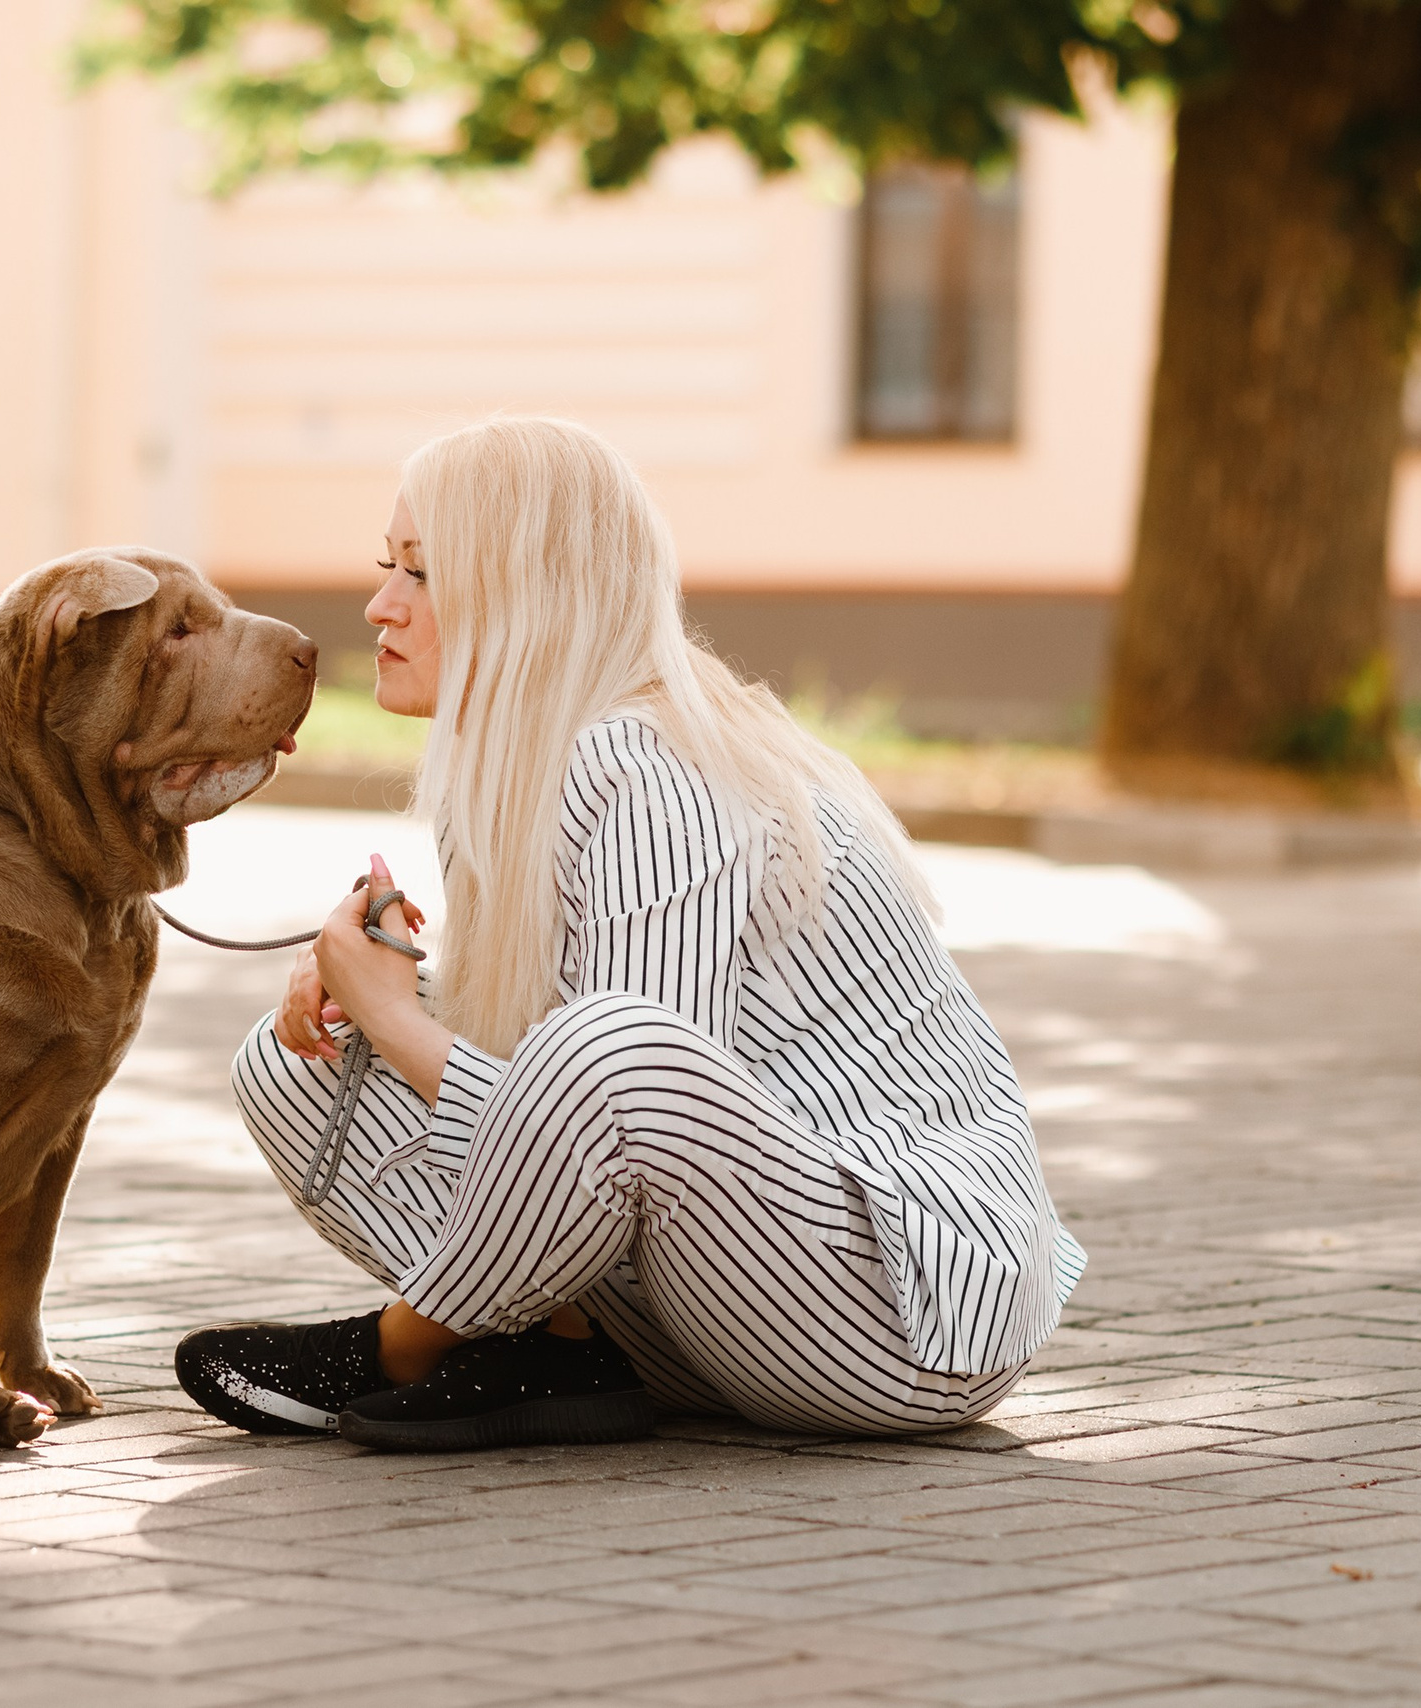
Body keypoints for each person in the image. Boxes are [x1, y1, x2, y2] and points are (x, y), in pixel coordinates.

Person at [174, 417, 1084, 1453]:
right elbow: (573, 1127)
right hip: (724, 1298)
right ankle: (556, 1351)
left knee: (607, 1042)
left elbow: (627, 1094)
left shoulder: (646, 763)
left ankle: (404, 1342)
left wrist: (397, 1016)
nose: (379, 605)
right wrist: (368, 1004)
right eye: (388, 567)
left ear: (526, 589)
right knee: (296, 1065)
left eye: (421, 574)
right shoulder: (509, 777)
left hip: (899, 1314)